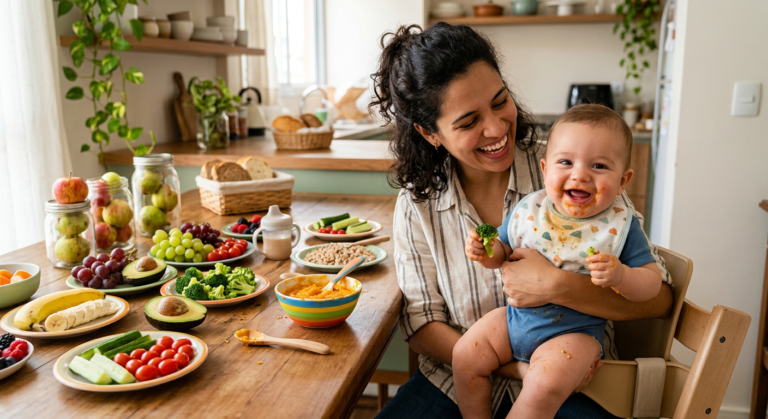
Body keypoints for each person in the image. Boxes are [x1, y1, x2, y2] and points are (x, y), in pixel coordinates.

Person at [371, 23, 673, 419]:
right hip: (456, 379)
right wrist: (516, 369)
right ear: (431, 134)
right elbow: (422, 324)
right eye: (467, 122)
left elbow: (659, 300)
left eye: (500, 101)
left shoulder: (577, 170)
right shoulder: (417, 204)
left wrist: (559, 285)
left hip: (578, 382)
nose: (496, 129)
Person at [455, 104, 663, 419]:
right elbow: (502, 253)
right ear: (545, 169)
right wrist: (487, 251)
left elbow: (652, 284)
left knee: (543, 385)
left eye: (599, 166)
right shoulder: (531, 210)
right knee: (465, 355)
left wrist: (621, 277)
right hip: (516, 321)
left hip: (575, 334)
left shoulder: (621, 225)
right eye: (565, 162)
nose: (579, 174)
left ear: (623, 181)